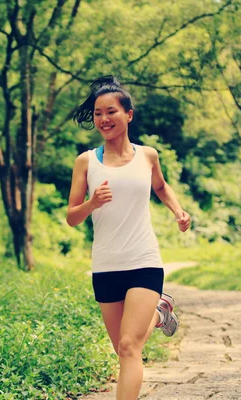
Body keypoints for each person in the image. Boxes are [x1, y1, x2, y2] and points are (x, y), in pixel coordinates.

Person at [66, 76, 191, 400]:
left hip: (143, 259)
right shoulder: (86, 162)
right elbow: (71, 217)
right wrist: (91, 203)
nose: (104, 119)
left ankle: (157, 307)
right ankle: (161, 312)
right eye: (97, 113)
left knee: (128, 345)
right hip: (106, 264)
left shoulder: (147, 156)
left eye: (111, 111)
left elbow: (161, 186)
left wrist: (178, 211)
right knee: (123, 351)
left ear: (129, 115)